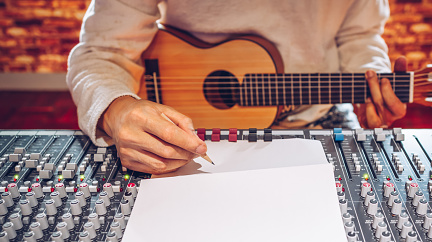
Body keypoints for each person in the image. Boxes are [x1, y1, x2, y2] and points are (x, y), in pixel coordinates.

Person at [67, 0, 407, 174]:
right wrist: (118, 109)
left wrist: (371, 78)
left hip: (321, 116)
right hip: (190, 131)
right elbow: (102, 52)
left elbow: (359, 35)